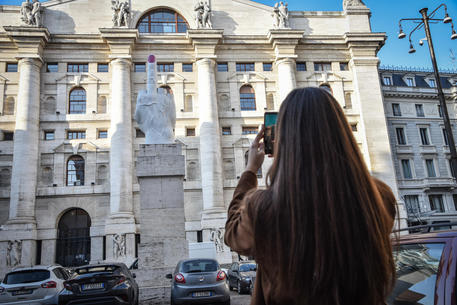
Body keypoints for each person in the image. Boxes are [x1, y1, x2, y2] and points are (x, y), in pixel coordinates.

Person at [225, 87, 396, 305]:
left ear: (285, 140)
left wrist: (250, 171)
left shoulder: (263, 209)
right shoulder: (379, 198)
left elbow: (233, 234)